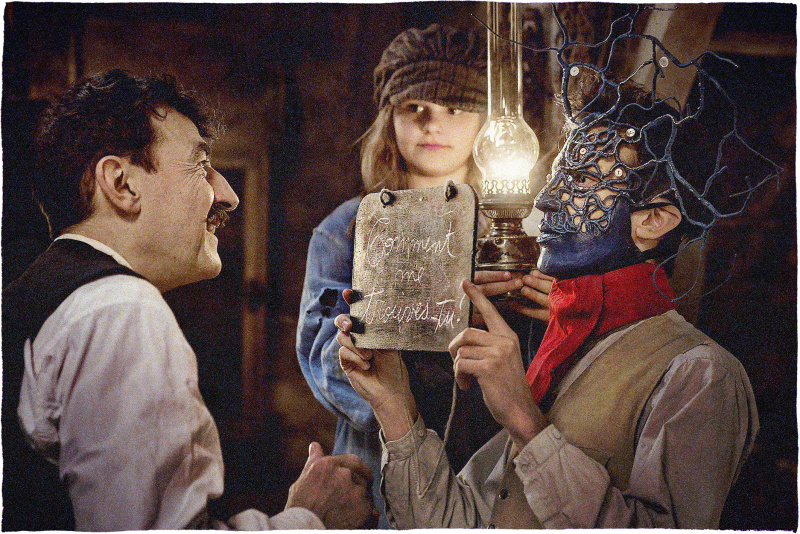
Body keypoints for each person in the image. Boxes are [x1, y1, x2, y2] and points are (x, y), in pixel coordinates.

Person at [336, 80, 760, 528]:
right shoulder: (559, 348)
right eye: (558, 175)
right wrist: (393, 403)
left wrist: (525, 421)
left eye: (581, 180)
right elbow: (454, 524)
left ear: (654, 220)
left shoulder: (700, 373)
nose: (546, 199)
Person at [1, 69, 375, 531]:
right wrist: (311, 517)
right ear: (121, 184)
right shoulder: (120, 310)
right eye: (200, 166)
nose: (229, 196)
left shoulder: (39, 299)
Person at [296, 23, 552, 528]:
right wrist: (437, 315)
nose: (432, 123)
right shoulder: (346, 230)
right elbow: (325, 358)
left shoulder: (520, 231)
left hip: (494, 468)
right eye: (415, 107)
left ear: (487, 122)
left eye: (455, 108)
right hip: (379, 470)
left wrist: (548, 307)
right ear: (388, 117)